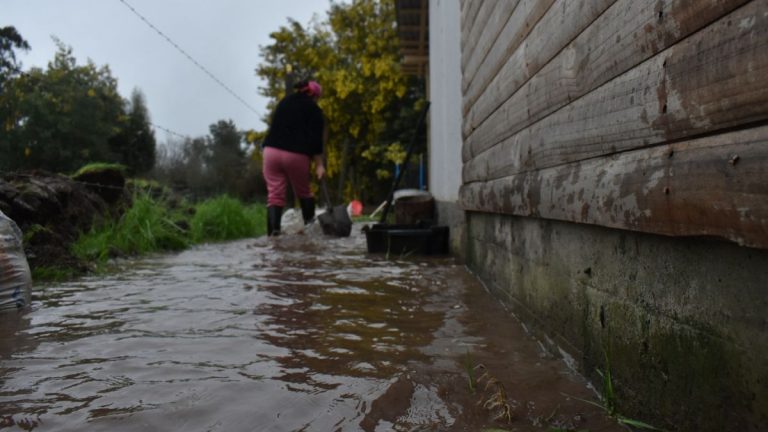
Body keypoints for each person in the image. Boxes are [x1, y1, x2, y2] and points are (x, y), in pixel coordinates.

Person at [261, 79, 326, 236]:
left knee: (274, 196)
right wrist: (319, 165)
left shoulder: (284, 101)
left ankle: (273, 236)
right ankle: (310, 233)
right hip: (296, 156)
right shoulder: (315, 111)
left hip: (271, 152)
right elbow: (316, 141)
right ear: (314, 96)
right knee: (304, 192)